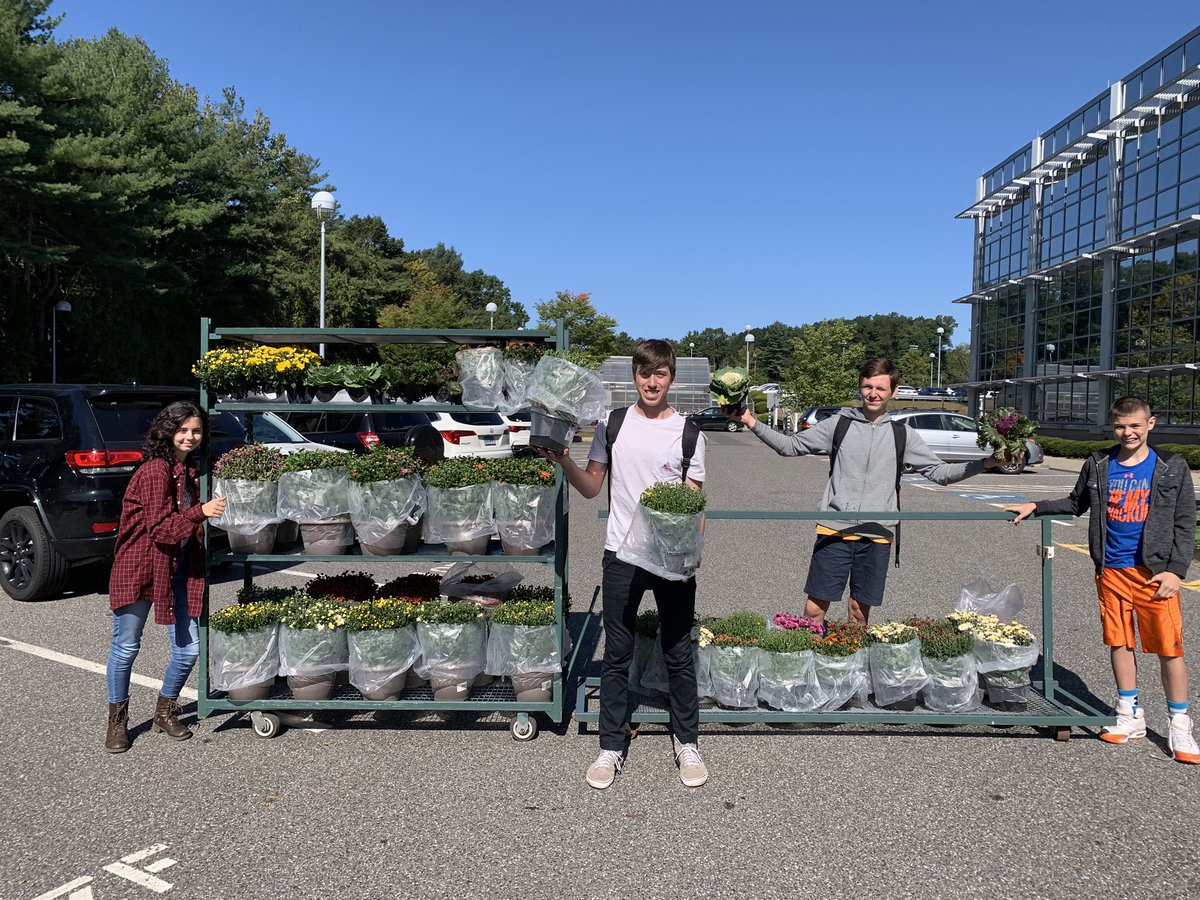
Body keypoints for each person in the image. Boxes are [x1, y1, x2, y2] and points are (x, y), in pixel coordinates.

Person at [534, 340, 708, 789]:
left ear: (672, 378)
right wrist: (565, 460)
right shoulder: (613, 425)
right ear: (634, 376)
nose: (652, 382)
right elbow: (593, 487)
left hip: (670, 560)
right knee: (617, 653)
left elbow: (694, 504)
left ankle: (687, 741)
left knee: (678, 651)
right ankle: (610, 747)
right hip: (621, 556)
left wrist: (693, 554)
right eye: (644, 373)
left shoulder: (690, 433)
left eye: (661, 374)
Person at [728, 357, 1010, 625]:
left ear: (893, 392)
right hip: (834, 529)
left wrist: (985, 463)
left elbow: (940, 473)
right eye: (867, 386)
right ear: (860, 386)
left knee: (858, 614)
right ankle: (809, 668)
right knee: (814, 611)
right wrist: (751, 421)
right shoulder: (839, 424)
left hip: (876, 533)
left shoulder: (903, 434)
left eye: (880, 388)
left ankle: (852, 670)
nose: (873, 394)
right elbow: (789, 446)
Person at [1005, 396, 1198, 763]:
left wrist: (1176, 569)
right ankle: (1130, 714)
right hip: (1110, 569)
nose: (1128, 432)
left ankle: (1179, 723)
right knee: (1119, 642)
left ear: (1150, 424)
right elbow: (1076, 503)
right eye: (1121, 426)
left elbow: (1184, 522)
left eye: (1135, 426)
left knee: (1169, 648)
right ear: (1114, 426)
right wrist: (1035, 505)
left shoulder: (1171, 466)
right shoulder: (1099, 464)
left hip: (1155, 574)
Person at [104, 401, 226, 753]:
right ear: (168, 431)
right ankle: (117, 722)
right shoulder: (156, 471)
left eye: (196, 430)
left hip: (178, 568)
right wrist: (200, 512)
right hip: (140, 567)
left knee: (188, 650)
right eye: (183, 429)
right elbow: (159, 529)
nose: (190, 436)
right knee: (126, 646)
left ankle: (165, 711)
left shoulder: (190, 472)